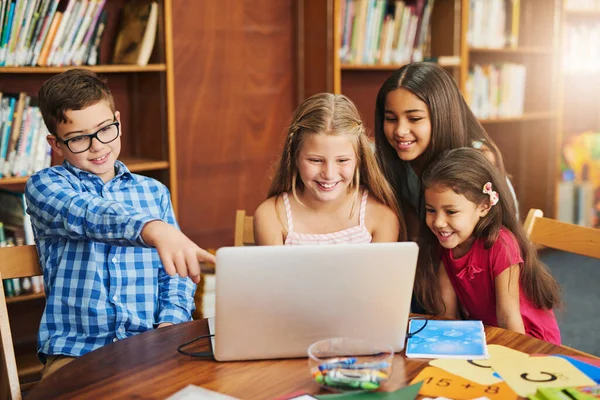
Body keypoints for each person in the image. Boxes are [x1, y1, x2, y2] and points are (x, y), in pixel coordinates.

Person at [24, 69, 216, 378]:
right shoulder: (44, 186)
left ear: (118, 122)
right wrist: (151, 228)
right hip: (77, 352)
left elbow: (175, 277)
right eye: (77, 139)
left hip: (150, 346)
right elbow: (87, 213)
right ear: (55, 144)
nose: (97, 146)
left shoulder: (153, 192)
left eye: (104, 130)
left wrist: (170, 324)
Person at [417, 148, 561, 345]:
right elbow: (447, 313)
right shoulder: (447, 242)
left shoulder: (501, 245)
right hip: (488, 335)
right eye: (431, 210)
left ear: (484, 207)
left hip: (527, 340)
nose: (439, 222)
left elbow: (508, 317)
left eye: (451, 211)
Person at [374, 62, 518, 242]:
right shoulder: (397, 161)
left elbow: (500, 245)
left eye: (414, 118)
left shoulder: (479, 157)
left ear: (442, 116)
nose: (400, 130)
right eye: (391, 119)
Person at [254, 93, 404, 245]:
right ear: (294, 157)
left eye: (342, 160)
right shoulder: (271, 216)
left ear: (359, 158)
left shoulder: (382, 215)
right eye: (315, 160)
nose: (329, 174)